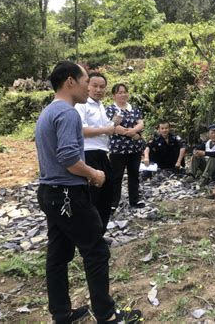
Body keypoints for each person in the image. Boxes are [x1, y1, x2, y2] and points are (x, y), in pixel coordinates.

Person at [35, 61, 141, 323]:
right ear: (70, 81)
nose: (89, 87)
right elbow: (70, 158)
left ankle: (61, 314)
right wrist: (94, 174)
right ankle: (107, 315)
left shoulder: (48, 112)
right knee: (96, 250)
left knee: (58, 254)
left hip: (49, 192)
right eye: (86, 82)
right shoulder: (69, 113)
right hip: (69, 195)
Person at [75, 72, 122, 233]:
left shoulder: (100, 106)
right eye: (94, 85)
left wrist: (112, 124)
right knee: (93, 196)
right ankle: (90, 236)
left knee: (107, 194)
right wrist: (107, 128)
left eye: (102, 87)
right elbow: (81, 130)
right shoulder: (82, 104)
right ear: (87, 86)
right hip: (88, 153)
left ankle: (99, 234)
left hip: (102, 153)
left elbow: (105, 131)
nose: (98, 90)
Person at [106, 83, 144, 208]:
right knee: (116, 177)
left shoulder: (133, 108)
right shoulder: (111, 109)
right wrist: (132, 133)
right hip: (118, 150)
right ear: (114, 95)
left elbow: (141, 123)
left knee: (134, 175)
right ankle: (113, 203)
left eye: (125, 92)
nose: (123, 94)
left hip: (135, 149)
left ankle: (135, 200)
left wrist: (133, 131)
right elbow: (114, 127)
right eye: (119, 92)